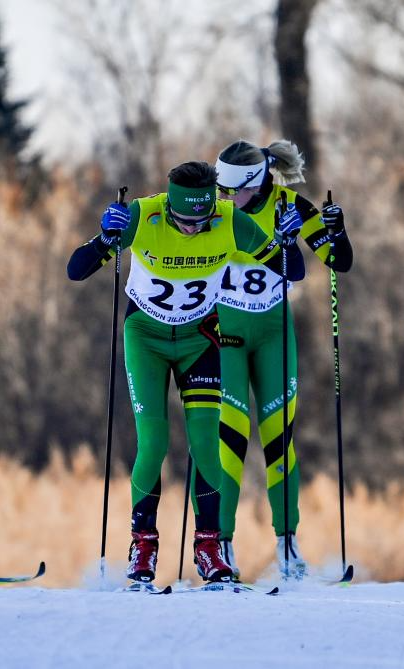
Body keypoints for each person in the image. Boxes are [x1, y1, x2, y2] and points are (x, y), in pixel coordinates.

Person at [67, 161, 305, 585]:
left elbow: (293, 269)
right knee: (153, 442)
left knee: (206, 445)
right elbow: (76, 269)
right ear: (169, 207)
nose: (193, 229)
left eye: (201, 220)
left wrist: (288, 241)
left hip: (200, 339)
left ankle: (209, 549)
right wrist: (105, 237)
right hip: (147, 338)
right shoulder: (143, 215)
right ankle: (143, 546)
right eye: (183, 221)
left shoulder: (230, 220)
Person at [213, 140, 353, 579]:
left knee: (279, 440)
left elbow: (339, 261)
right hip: (224, 334)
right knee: (230, 441)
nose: (225, 197)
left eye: (233, 190)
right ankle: (219, 547)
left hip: (273, 333)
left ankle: (288, 547)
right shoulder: (214, 210)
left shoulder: (290, 205)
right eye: (221, 189)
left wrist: (338, 231)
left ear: (256, 184)